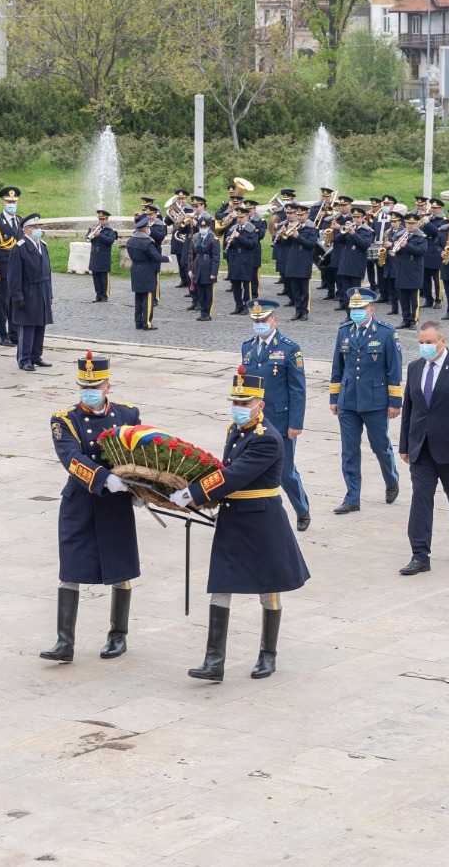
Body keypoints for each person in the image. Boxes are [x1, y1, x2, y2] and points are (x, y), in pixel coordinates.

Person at [176, 366, 311, 682]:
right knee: (221, 585)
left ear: (259, 405)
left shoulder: (268, 439)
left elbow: (234, 475)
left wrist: (192, 493)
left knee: (269, 590)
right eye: (234, 402)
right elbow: (224, 471)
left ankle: (268, 654)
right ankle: (214, 662)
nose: (238, 408)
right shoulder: (234, 431)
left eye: (244, 403)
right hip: (234, 517)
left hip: (263, 521)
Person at [41, 352, 142, 663]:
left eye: (95, 386)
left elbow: (141, 452)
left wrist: (141, 486)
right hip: (81, 500)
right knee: (70, 568)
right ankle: (64, 641)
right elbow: (70, 457)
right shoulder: (64, 419)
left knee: (119, 567)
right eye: (84, 385)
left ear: (108, 386)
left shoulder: (127, 414)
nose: (89, 391)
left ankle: (118, 636)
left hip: (115, 503)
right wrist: (103, 478)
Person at [397, 319, 449, 574]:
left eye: (429, 342)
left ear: (443, 341)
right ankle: (420, 554)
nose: (425, 347)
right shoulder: (414, 368)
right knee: (421, 500)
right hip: (421, 448)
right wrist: (404, 445)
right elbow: (409, 409)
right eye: (421, 343)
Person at [329, 288, 402, 515]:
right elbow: (337, 367)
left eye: (360, 308)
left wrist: (395, 402)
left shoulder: (386, 333)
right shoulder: (344, 332)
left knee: (380, 446)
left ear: (371, 309)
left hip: (375, 400)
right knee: (349, 451)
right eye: (353, 308)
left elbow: (394, 369)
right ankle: (352, 497)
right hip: (349, 400)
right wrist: (334, 397)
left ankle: (391, 479)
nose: (356, 312)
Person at [240, 299, 312, 530]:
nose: (260, 324)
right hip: (254, 419)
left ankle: (302, 509)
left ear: (274, 320)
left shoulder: (290, 348)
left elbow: (297, 389)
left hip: (281, 420)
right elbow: (245, 386)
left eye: (264, 320)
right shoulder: (248, 347)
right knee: (251, 467)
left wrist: (296, 423)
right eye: (256, 320)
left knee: (285, 471)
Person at [8, 214, 55, 368]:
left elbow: (47, 272)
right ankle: (24, 359)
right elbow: (14, 275)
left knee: (40, 324)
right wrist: (17, 295)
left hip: (42, 290)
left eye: (39, 227)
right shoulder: (20, 248)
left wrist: (50, 293)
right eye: (35, 227)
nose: (38, 230)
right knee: (27, 326)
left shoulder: (42, 245)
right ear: (26, 230)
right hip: (28, 291)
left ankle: (36, 355)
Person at [0, 186, 23, 346]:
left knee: (16, 301)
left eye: (14, 201)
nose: (12, 204)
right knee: (2, 303)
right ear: (3, 202)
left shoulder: (21, 221)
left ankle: (15, 333)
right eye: (9, 201)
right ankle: (3, 335)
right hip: (2, 268)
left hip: (18, 270)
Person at [277, 202, 318, 321]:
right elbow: (285, 243)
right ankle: (298, 310)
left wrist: (298, 237)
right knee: (295, 289)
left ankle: (305, 311)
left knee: (304, 289)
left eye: (301, 215)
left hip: (304, 261)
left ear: (307, 215)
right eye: (298, 215)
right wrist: (282, 234)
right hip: (292, 261)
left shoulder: (311, 228)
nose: (299, 217)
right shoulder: (295, 226)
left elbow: (311, 244)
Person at [125, 210, 164, 330]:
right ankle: (147, 323)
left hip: (135, 269)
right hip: (147, 270)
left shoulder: (130, 241)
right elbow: (156, 256)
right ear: (146, 229)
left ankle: (138, 322)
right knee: (148, 299)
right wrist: (167, 259)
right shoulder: (147, 242)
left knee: (138, 298)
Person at [332, 205, 374, 307]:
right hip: (345, 265)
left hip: (356, 266)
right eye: (354, 217)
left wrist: (354, 234)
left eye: (358, 217)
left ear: (363, 218)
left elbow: (365, 245)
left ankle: (356, 316)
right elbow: (337, 240)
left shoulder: (368, 231)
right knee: (346, 293)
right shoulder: (348, 229)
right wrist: (344, 230)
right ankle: (348, 315)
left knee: (356, 295)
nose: (355, 219)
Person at [224, 205, 263, 315]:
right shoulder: (233, 228)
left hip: (246, 260)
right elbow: (230, 245)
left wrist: (239, 237)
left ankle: (246, 305)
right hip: (234, 260)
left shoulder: (251, 229)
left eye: (241, 217)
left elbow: (252, 245)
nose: (239, 219)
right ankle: (238, 305)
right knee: (235, 284)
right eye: (238, 217)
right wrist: (229, 241)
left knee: (247, 285)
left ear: (246, 217)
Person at [394, 213, 428, 328]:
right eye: (408, 223)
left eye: (413, 223)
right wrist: (395, 247)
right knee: (403, 298)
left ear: (417, 224)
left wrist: (407, 245)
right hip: (401, 269)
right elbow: (394, 251)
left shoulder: (421, 236)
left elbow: (421, 251)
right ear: (405, 223)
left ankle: (414, 320)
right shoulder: (399, 235)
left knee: (414, 299)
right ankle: (405, 319)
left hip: (414, 270)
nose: (410, 226)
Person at [187, 214, 221, 321]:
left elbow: (216, 258)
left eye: (205, 227)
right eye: (201, 227)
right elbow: (191, 255)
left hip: (208, 266)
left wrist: (214, 272)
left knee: (208, 293)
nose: (203, 229)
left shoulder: (213, 239)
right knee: (200, 292)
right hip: (198, 266)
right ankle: (202, 312)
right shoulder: (195, 237)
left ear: (209, 228)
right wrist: (190, 269)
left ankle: (208, 312)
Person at [421, 199, 447, 309]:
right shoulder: (428, 217)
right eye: (432, 207)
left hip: (436, 251)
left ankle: (438, 299)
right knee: (425, 278)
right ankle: (428, 299)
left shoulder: (444, 220)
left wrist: (428, 223)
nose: (433, 210)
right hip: (426, 249)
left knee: (437, 278)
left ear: (440, 208)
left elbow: (439, 233)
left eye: (436, 208)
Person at [86, 210, 117, 303]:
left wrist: (99, 235)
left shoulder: (110, 230)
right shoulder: (94, 228)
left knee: (103, 277)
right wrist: (91, 235)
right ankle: (98, 295)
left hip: (104, 256)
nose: (100, 221)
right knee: (95, 276)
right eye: (99, 219)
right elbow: (87, 238)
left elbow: (110, 241)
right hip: (95, 255)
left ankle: (104, 295)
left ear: (107, 219)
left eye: (102, 219)